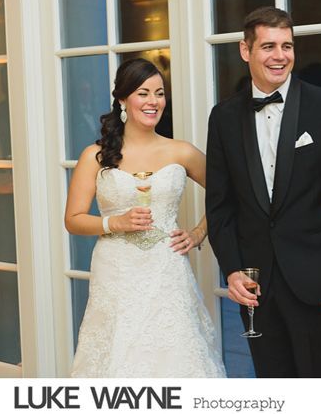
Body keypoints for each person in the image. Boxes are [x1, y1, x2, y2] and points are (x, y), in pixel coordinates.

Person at [205, 6, 321, 378]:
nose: (280, 56)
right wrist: (232, 269)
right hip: (257, 288)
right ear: (245, 50)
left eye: (287, 46)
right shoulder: (223, 117)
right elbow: (219, 205)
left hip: (320, 283)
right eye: (268, 46)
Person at [65, 58, 225, 377]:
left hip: (167, 270)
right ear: (123, 99)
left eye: (160, 93)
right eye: (143, 93)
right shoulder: (95, 156)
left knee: (174, 353)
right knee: (118, 355)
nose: (153, 101)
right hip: (116, 271)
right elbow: (73, 219)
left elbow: (229, 192)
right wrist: (114, 223)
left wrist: (198, 232)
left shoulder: (181, 151)